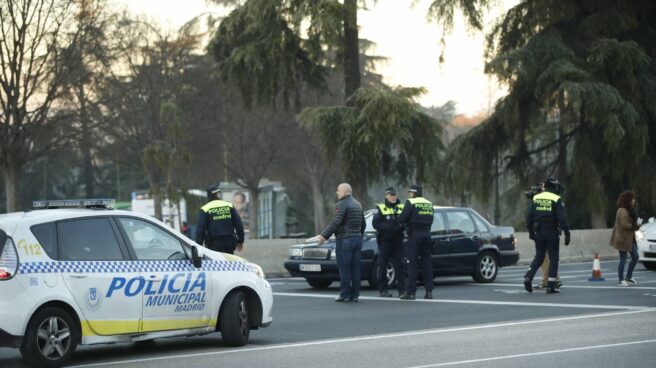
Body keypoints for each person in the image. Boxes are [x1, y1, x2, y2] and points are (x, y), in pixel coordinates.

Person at [318, 183, 365, 302]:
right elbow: (362, 224)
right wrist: (359, 235)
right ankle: (355, 295)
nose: (337, 192)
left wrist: (324, 236)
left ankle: (344, 294)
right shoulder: (358, 204)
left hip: (345, 240)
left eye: (338, 190)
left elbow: (335, 222)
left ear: (345, 192)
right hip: (357, 239)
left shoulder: (342, 204)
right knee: (355, 268)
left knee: (344, 268)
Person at [524, 177, 570, 294]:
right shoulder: (556, 198)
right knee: (554, 258)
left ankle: (528, 276)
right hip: (552, 232)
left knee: (539, 257)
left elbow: (529, 217)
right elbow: (562, 219)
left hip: (539, 232)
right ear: (554, 187)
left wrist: (531, 232)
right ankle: (551, 286)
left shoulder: (536, 198)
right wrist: (567, 233)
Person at [396, 184, 434, 300]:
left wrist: (402, 223)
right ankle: (429, 292)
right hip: (427, 234)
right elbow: (431, 219)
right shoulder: (429, 203)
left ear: (413, 193)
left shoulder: (411, 202)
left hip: (414, 235)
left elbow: (402, 218)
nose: (409, 195)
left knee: (411, 263)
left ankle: (411, 292)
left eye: (410, 193)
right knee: (427, 263)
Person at [372, 187, 406, 297]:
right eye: (391, 195)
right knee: (382, 265)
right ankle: (383, 290)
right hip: (385, 241)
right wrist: (390, 227)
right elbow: (376, 224)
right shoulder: (380, 207)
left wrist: (400, 226)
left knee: (401, 265)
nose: (393, 197)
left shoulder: (402, 207)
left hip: (398, 241)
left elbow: (407, 221)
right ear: (386, 196)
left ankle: (402, 291)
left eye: (394, 195)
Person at [195, 184, 245, 254]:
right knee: (228, 263)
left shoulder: (205, 209)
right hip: (229, 244)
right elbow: (238, 225)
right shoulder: (229, 206)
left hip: (213, 245)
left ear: (208, 195)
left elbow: (200, 230)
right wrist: (240, 241)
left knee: (216, 264)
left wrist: (198, 247)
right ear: (218, 194)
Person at [610, 191, 641, 286]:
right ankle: (621, 280)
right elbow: (624, 225)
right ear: (628, 200)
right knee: (623, 259)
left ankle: (629, 276)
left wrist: (637, 225)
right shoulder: (622, 210)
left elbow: (631, 225)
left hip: (630, 238)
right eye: (632, 198)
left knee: (635, 256)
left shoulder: (630, 209)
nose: (634, 200)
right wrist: (634, 225)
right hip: (622, 238)